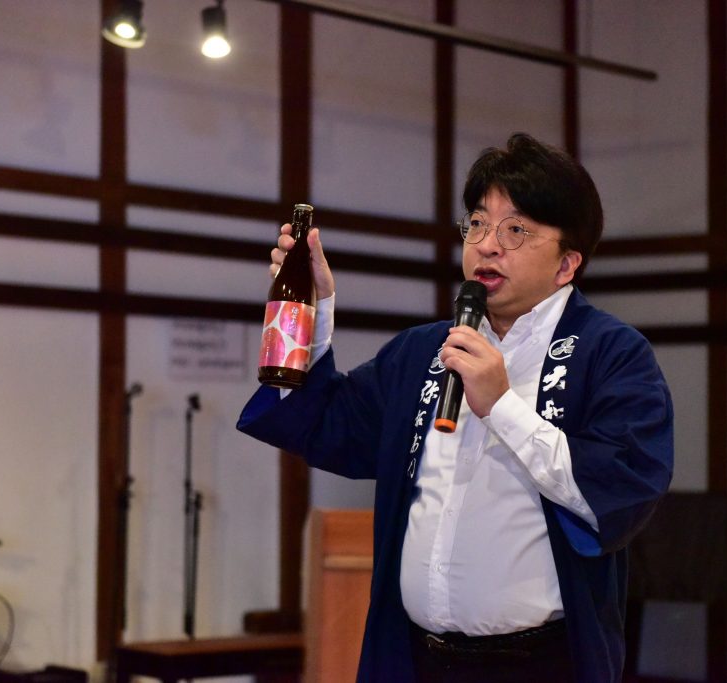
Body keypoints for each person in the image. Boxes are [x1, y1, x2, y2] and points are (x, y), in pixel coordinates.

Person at [238, 133, 673, 683]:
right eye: (478, 224)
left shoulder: (612, 354)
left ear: (566, 264)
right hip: (415, 658)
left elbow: (625, 485)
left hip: (540, 666)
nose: (487, 245)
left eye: (515, 230)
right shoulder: (423, 350)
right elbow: (329, 423)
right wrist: (314, 311)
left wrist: (502, 406)